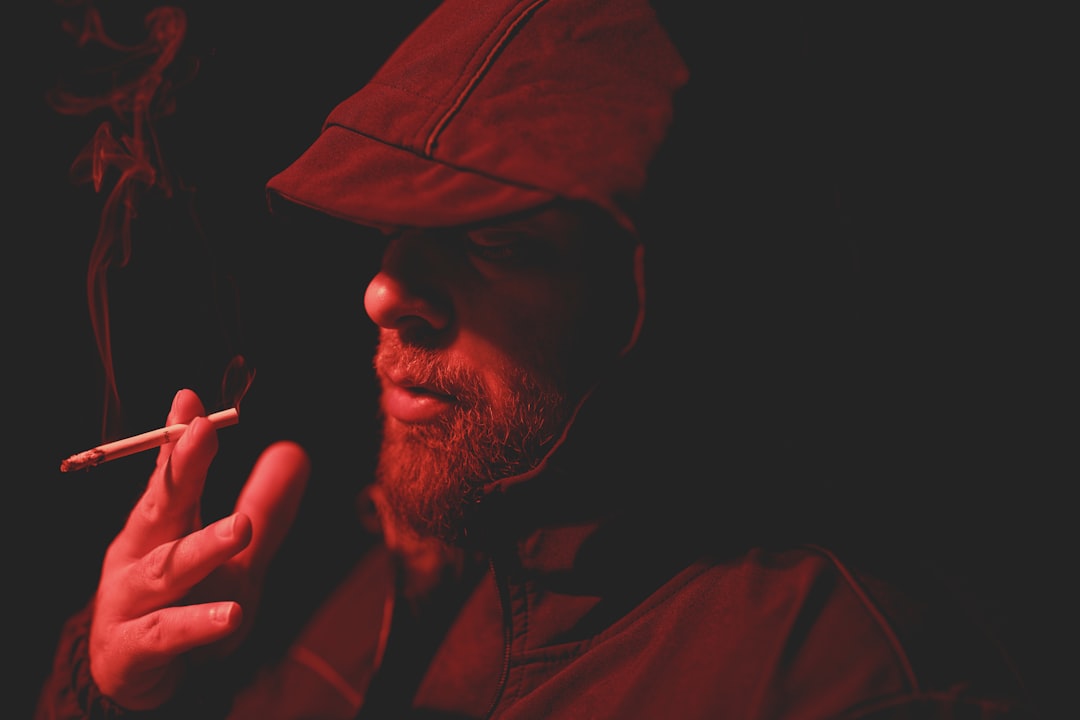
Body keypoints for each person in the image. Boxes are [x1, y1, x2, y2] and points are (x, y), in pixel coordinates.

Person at [35, 0, 1037, 718]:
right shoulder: (356, 579)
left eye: (494, 240)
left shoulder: (841, 678)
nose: (382, 293)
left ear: (660, 303)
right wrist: (117, 690)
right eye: (394, 228)